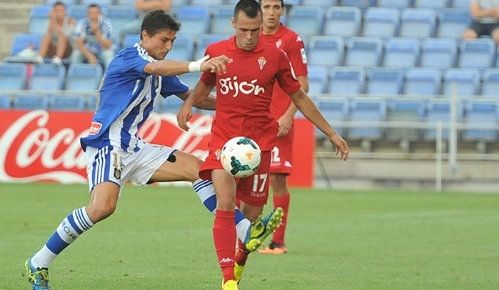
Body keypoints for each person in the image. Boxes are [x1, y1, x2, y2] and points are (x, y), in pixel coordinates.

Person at [24, 10, 277, 290]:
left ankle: (245, 229)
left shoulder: (160, 67)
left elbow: (194, 98)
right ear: (144, 36)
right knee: (102, 208)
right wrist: (199, 65)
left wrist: (242, 103)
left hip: (136, 147)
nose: (167, 47)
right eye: (163, 40)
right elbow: (156, 69)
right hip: (109, 146)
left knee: (200, 170)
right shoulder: (129, 58)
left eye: (172, 41)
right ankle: (39, 261)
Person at [176, 1, 349, 289]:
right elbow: (204, 86)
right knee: (226, 204)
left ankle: (242, 257)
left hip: (259, 147)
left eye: (254, 31)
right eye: (243, 30)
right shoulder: (217, 52)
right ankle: (228, 279)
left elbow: (300, 97)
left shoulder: (275, 55)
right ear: (233, 25)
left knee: (253, 217)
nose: (249, 36)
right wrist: (189, 105)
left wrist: (331, 133)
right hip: (223, 142)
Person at [256, 0, 308, 255]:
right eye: (266, 7)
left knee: (276, 179)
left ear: (283, 10)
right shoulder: (250, 38)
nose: (271, 12)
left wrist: (288, 116)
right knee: (244, 177)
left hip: (279, 122)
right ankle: (245, 235)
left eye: (276, 7)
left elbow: (302, 85)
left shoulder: (291, 40)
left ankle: (278, 241)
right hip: (253, 121)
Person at [71, 4, 115, 69]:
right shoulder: (82, 22)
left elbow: (108, 45)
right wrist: (90, 56)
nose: (94, 15)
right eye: (91, 13)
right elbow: (78, 43)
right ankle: (75, 76)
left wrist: (97, 32)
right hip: (87, 49)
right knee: (76, 54)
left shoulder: (107, 23)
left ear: (100, 13)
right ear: (87, 14)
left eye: (96, 13)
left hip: (102, 49)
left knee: (109, 55)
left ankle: (108, 77)